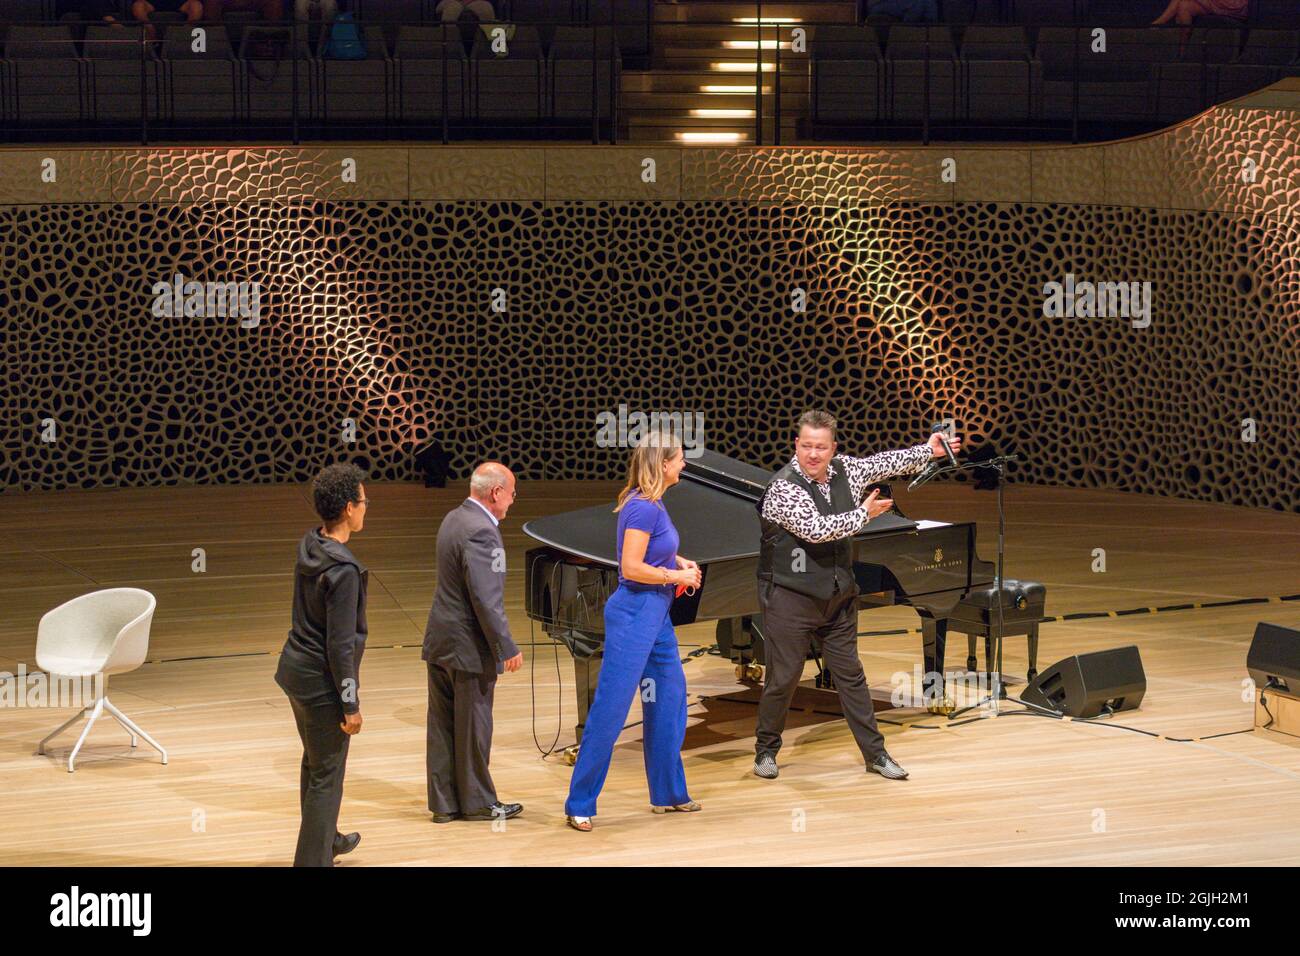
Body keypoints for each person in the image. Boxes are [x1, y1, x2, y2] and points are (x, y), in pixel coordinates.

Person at [752, 409, 961, 782]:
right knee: (783, 679)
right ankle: (766, 750)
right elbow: (817, 530)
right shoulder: (783, 488)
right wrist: (865, 513)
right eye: (806, 446)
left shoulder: (846, 470)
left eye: (821, 447)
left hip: (838, 596)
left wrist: (928, 450)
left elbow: (883, 462)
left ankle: (876, 755)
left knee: (851, 675)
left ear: (833, 448)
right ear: (796, 445)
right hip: (790, 597)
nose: (813, 454)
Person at [564, 429, 702, 832]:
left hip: (656, 614)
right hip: (634, 613)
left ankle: (668, 793)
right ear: (663, 464)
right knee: (611, 708)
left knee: (670, 697)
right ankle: (580, 802)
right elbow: (630, 567)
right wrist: (675, 573)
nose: (684, 464)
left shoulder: (651, 504)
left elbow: (652, 550)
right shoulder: (643, 507)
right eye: (679, 458)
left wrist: (679, 560)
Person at [274, 463, 369, 867]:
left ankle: (327, 839)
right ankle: (312, 860)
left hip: (294, 671)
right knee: (327, 774)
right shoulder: (343, 571)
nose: (367, 507)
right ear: (348, 508)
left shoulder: (311, 544)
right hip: (320, 682)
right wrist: (350, 704)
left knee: (315, 761)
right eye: (364, 501)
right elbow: (340, 646)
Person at [422, 462, 524, 824]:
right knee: (474, 727)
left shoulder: (454, 518)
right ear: (496, 492)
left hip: (441, 642)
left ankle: (445, 804)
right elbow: (486, 599)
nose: (512, 502)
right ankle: (479, 802)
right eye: (511, 494)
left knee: (443, 725)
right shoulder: (483, 531)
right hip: (467, 647)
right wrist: (506, 646)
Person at [1153, 0, 1248, 26]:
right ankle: (1183, 50)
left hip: (1231, 6)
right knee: (1184, 6)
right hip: (1215, 3)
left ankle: (1157, 24)